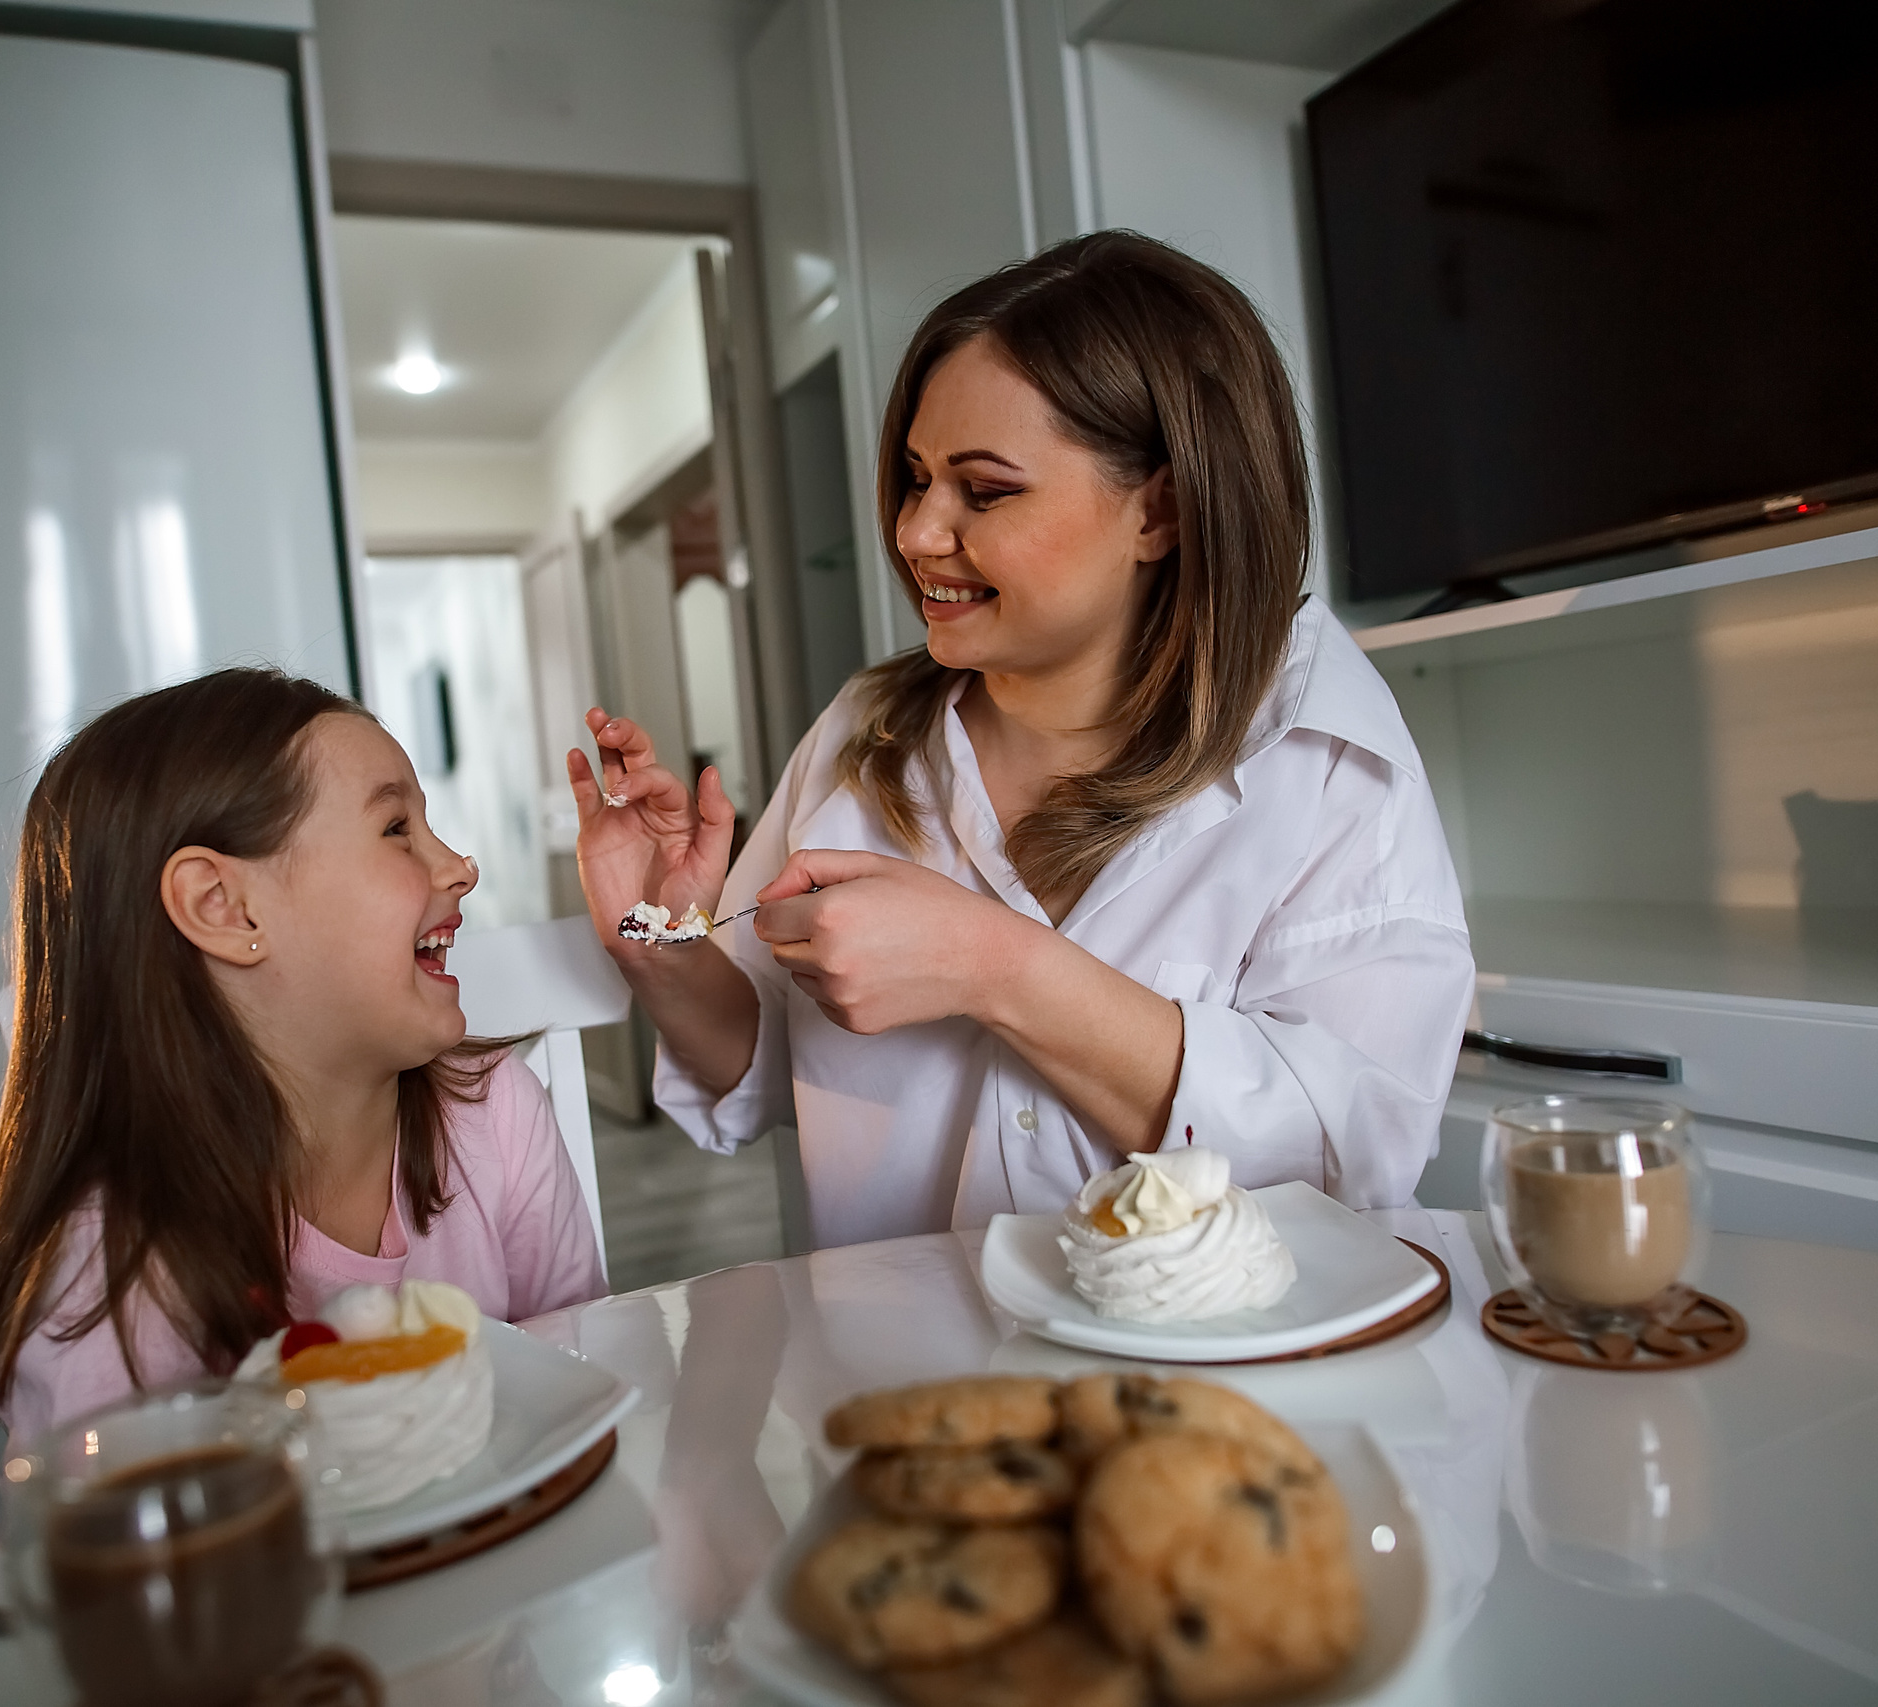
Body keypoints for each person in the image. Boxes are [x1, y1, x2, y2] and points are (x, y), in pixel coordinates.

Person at [571, 231, 1473, 1249]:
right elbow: (758, 1062)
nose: (915, 532)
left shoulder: (1318, 757)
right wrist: (662, 943)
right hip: (907, 1376)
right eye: (916, 479)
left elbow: (1350, 1158)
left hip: (1210, 1390)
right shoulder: (861, 733)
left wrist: (995, 967)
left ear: (1161, 510)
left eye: (984, 490)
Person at [0, 669, 603, 1453]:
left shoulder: (495, 1111)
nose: (459, 865)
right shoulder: (113, 1264)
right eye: (397, 828)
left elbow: (579, 1389)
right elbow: (138, 1556)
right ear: (224, 908)